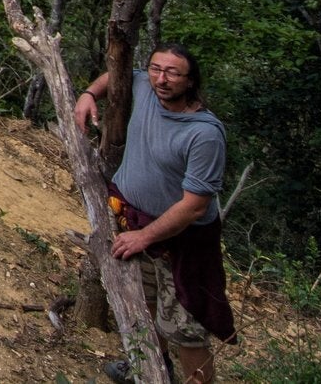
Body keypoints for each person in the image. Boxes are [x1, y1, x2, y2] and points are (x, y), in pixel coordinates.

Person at [73, 45, 234, 384]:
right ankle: (148, 372)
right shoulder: (144, 85)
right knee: (142, 308)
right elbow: (116, 78)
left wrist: (144, 236)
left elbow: (194, 206)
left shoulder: (204, 134)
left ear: (190, 81)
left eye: (173, 73)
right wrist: (89, 94)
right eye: (156, 69)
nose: (162, 79)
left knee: (186, 327)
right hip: (132, 223)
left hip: (183, 244)